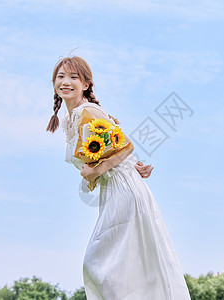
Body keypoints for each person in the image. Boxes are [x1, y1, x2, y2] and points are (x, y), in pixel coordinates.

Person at [47, 56, 191, 300]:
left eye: (73, 77)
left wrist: (95, 172)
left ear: (86, 84)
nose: (65, 82)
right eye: (60, 77)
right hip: (115, 190)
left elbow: (126, 146)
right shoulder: (69, 119)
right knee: (125, 266)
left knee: (101, 264)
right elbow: (112, 151)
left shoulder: (87, 111)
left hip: (123, 190)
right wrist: (133, 167)